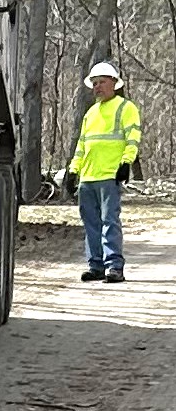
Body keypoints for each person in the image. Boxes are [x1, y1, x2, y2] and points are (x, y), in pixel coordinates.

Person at [64, 61, 142, 283]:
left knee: (109, 221)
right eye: (95, 83)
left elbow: (133, 138)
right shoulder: (91, 113)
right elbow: (82, 144)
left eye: (102, 82)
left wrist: (126, 163)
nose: (98, 87)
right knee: (91, 224)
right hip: (88, 178)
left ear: (114, 83)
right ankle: (95, 265)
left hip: (110, 175)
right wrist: (73, 171)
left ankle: (114, 266)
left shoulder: (126, 108)